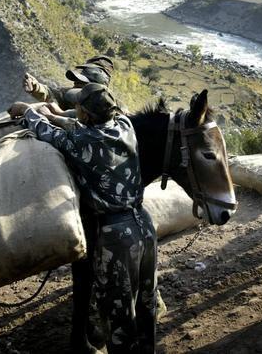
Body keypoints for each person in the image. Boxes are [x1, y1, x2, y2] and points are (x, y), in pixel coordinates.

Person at [9, 83, 156, 353]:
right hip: (145, 225)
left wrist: (28, 112)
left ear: (86, 115)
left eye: (78, 107)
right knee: (146, 305)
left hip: (116, 236)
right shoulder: (124, 125)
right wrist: (56, 114)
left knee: (117, 313)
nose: (75, 110)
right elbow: (82, 127)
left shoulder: (81, 142)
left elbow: (48, 134)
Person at [23, 55, 114, 106]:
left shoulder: (112, 110)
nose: (75, 87)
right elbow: (53, 93)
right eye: (76, 82)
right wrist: (36, 87)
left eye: (82, 84)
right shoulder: (71, 94)